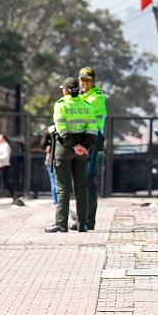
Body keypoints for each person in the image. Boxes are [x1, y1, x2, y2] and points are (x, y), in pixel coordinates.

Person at [45, 77, 97, 233]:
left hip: (64, 149)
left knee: (63, 188)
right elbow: (93, 129)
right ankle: (82, 224)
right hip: (83, 151)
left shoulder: (61, 105)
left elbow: (61, 129)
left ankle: (61, 223)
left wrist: (74, 146)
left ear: (65, 90)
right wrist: (83, 146)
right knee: (81, 188)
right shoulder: (87, 106)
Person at [78, 67, 107, 230]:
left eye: (88, 80)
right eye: (82, 79)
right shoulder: (82, 96)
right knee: (80, 180)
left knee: (88, 179)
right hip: (81, 139)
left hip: (92, 140)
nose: (85, 83)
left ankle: (89, 220)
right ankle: (82, 216)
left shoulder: (96, 97)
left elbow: (81, 110)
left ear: (93, 81)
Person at [40, 125, 58, 206]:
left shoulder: (50, 130)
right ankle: (58, 201)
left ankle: (56, 202)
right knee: (59, 181)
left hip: (51, 158)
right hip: (60, 157)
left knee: (53, 180)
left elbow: (43, 144)